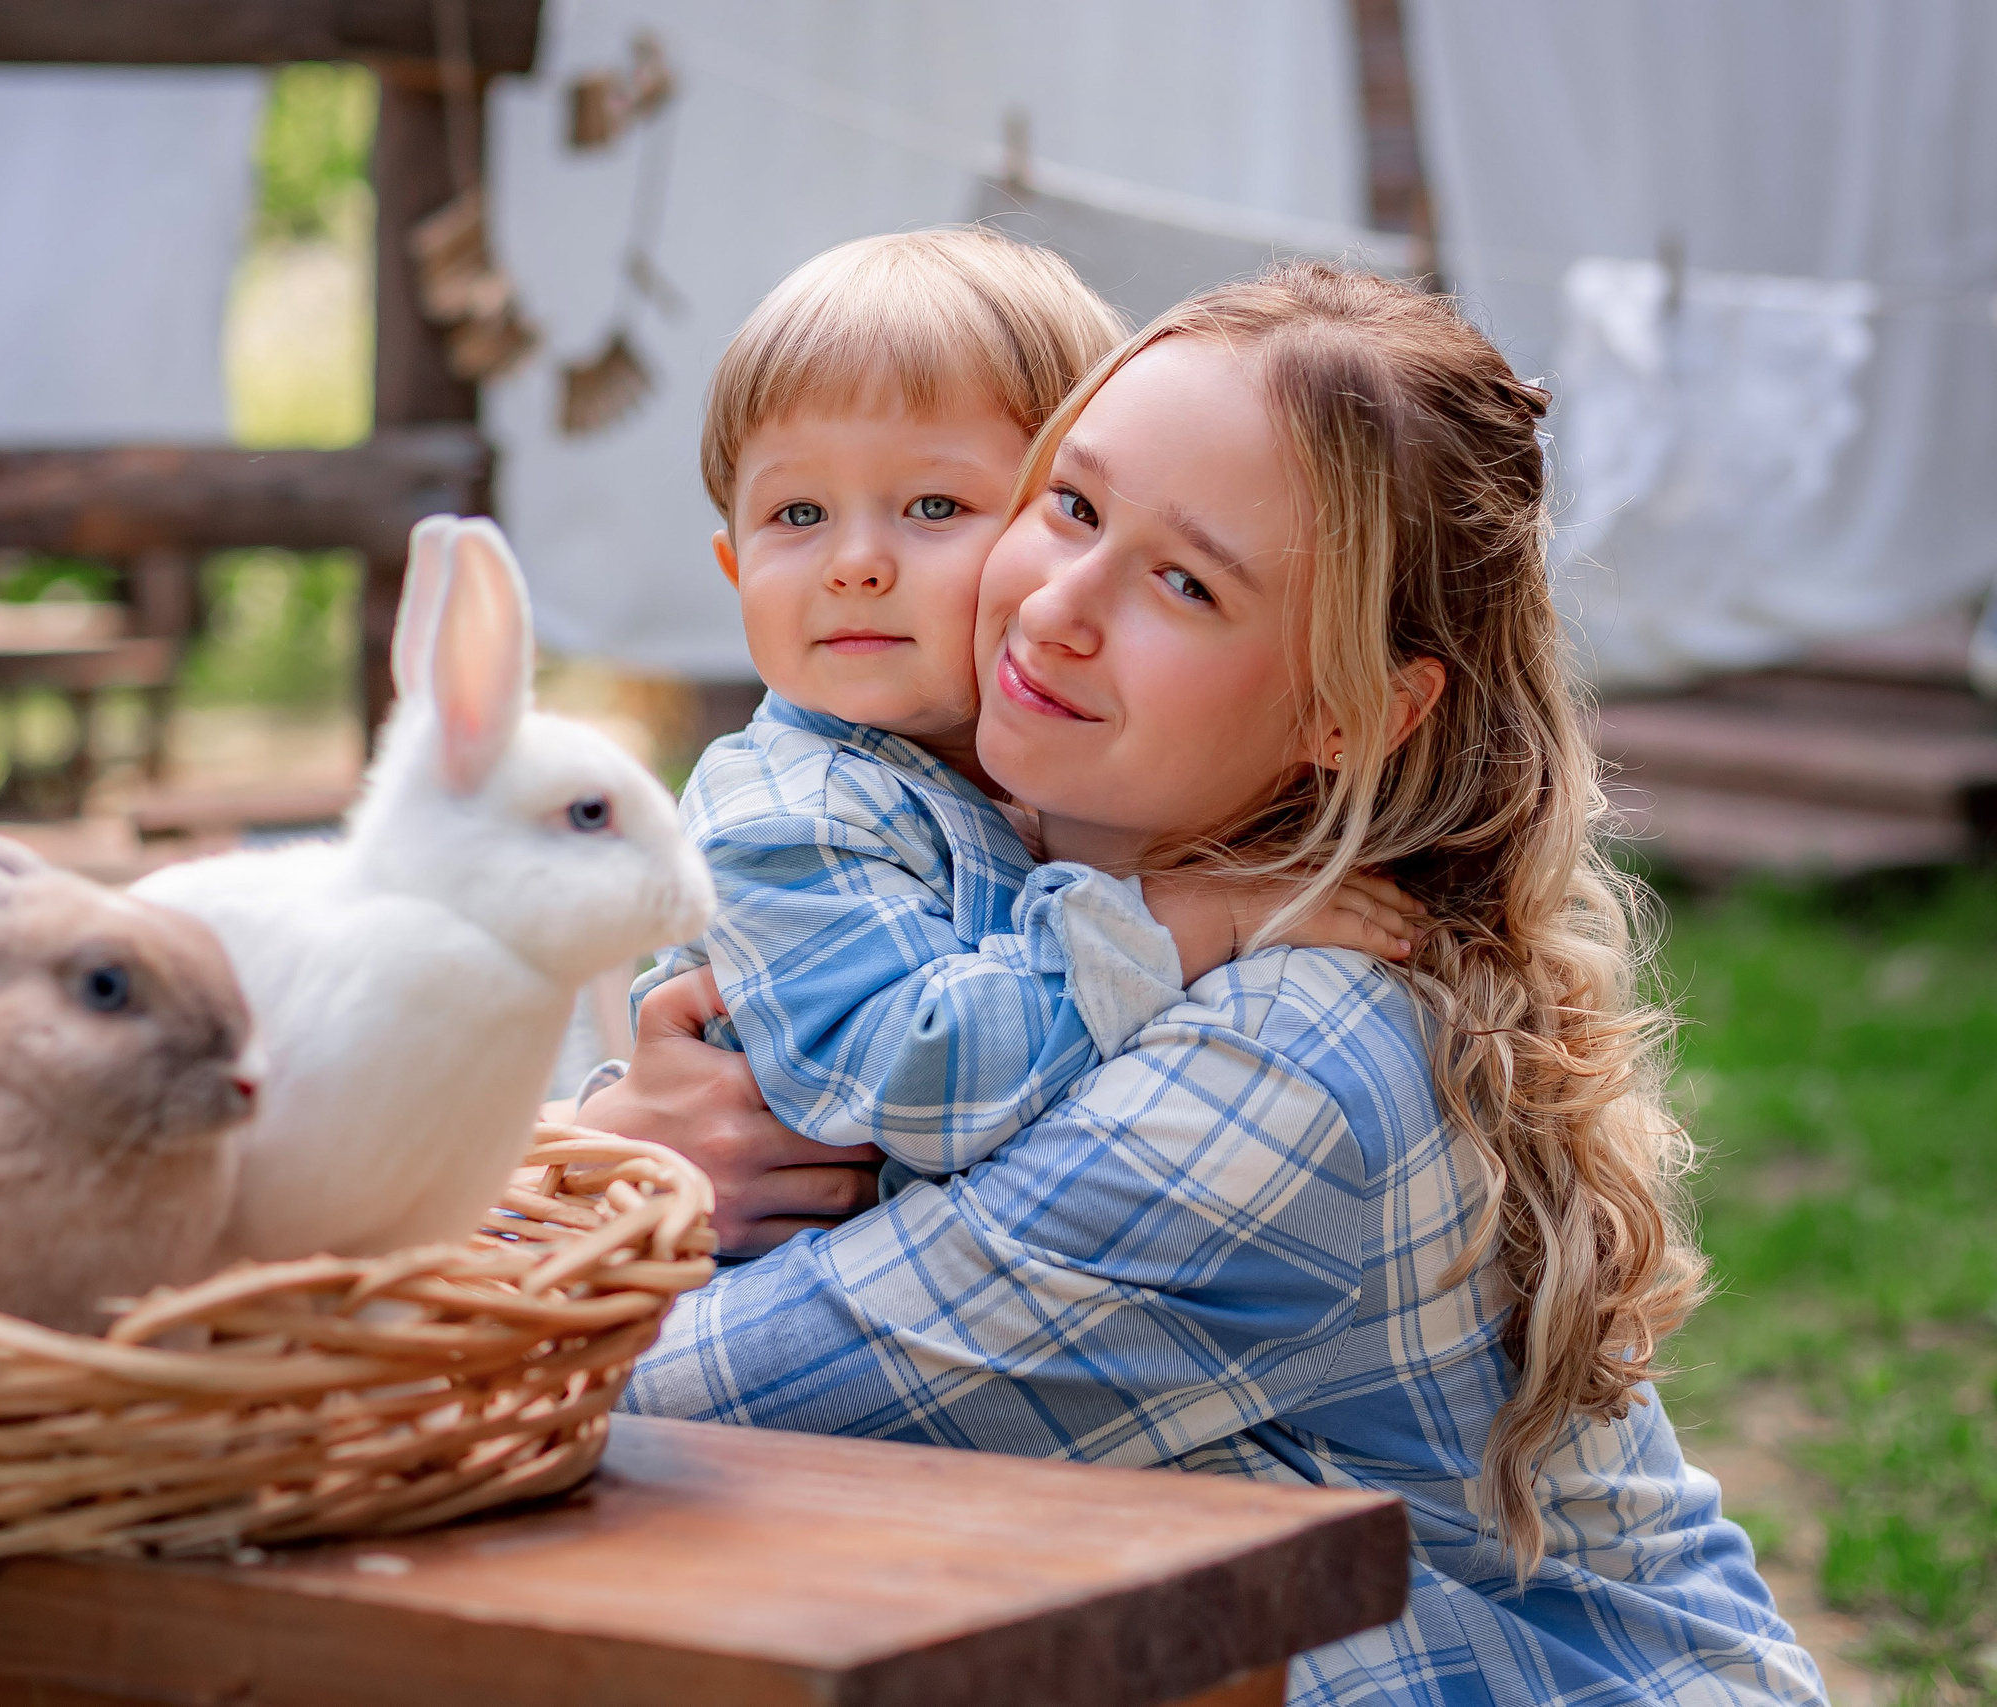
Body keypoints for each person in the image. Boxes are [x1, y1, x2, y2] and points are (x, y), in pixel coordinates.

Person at [586, 261, 1825, 1706]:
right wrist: (634, 1130)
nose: (1055, 606)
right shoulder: (958, 857)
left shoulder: (1296, 1050)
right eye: (1071, 504)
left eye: (1185, 580)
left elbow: (678, 1405)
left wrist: (602, 1190)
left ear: (1346, 708)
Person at [616, 229, 1416, 1184]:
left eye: (934, 506)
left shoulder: (1024, 784)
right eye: (798, 515)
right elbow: (920, 1079)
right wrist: (1187, 922)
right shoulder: (786, 813)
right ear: (734, 568)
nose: (855, 563)